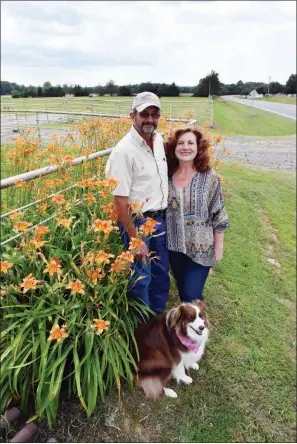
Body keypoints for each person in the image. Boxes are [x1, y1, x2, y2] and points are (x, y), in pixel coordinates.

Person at [105, 92, 169, 317]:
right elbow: (120, 200)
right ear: (132, 115)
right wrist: (135, 238)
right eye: (144, 114)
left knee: (161, 273)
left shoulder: (159, 140)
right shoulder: (123, 151)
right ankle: (143, 328)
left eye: (154, 114)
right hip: (138, 223)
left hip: (160, 219)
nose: (150, 119)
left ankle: (158, 319)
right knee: (141, 277)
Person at [165, 127, 229, 303]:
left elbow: (219, 213)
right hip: (174, 248)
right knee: (184, 290)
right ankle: (191, 322)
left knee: (191, 295)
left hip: (202, 248)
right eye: (181, 143)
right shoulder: (167, 176)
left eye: (190, 143)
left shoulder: (209, 176)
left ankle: (196, 327)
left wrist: (218, 249)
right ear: (174, 147)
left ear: (198, 148)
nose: (185, 147)